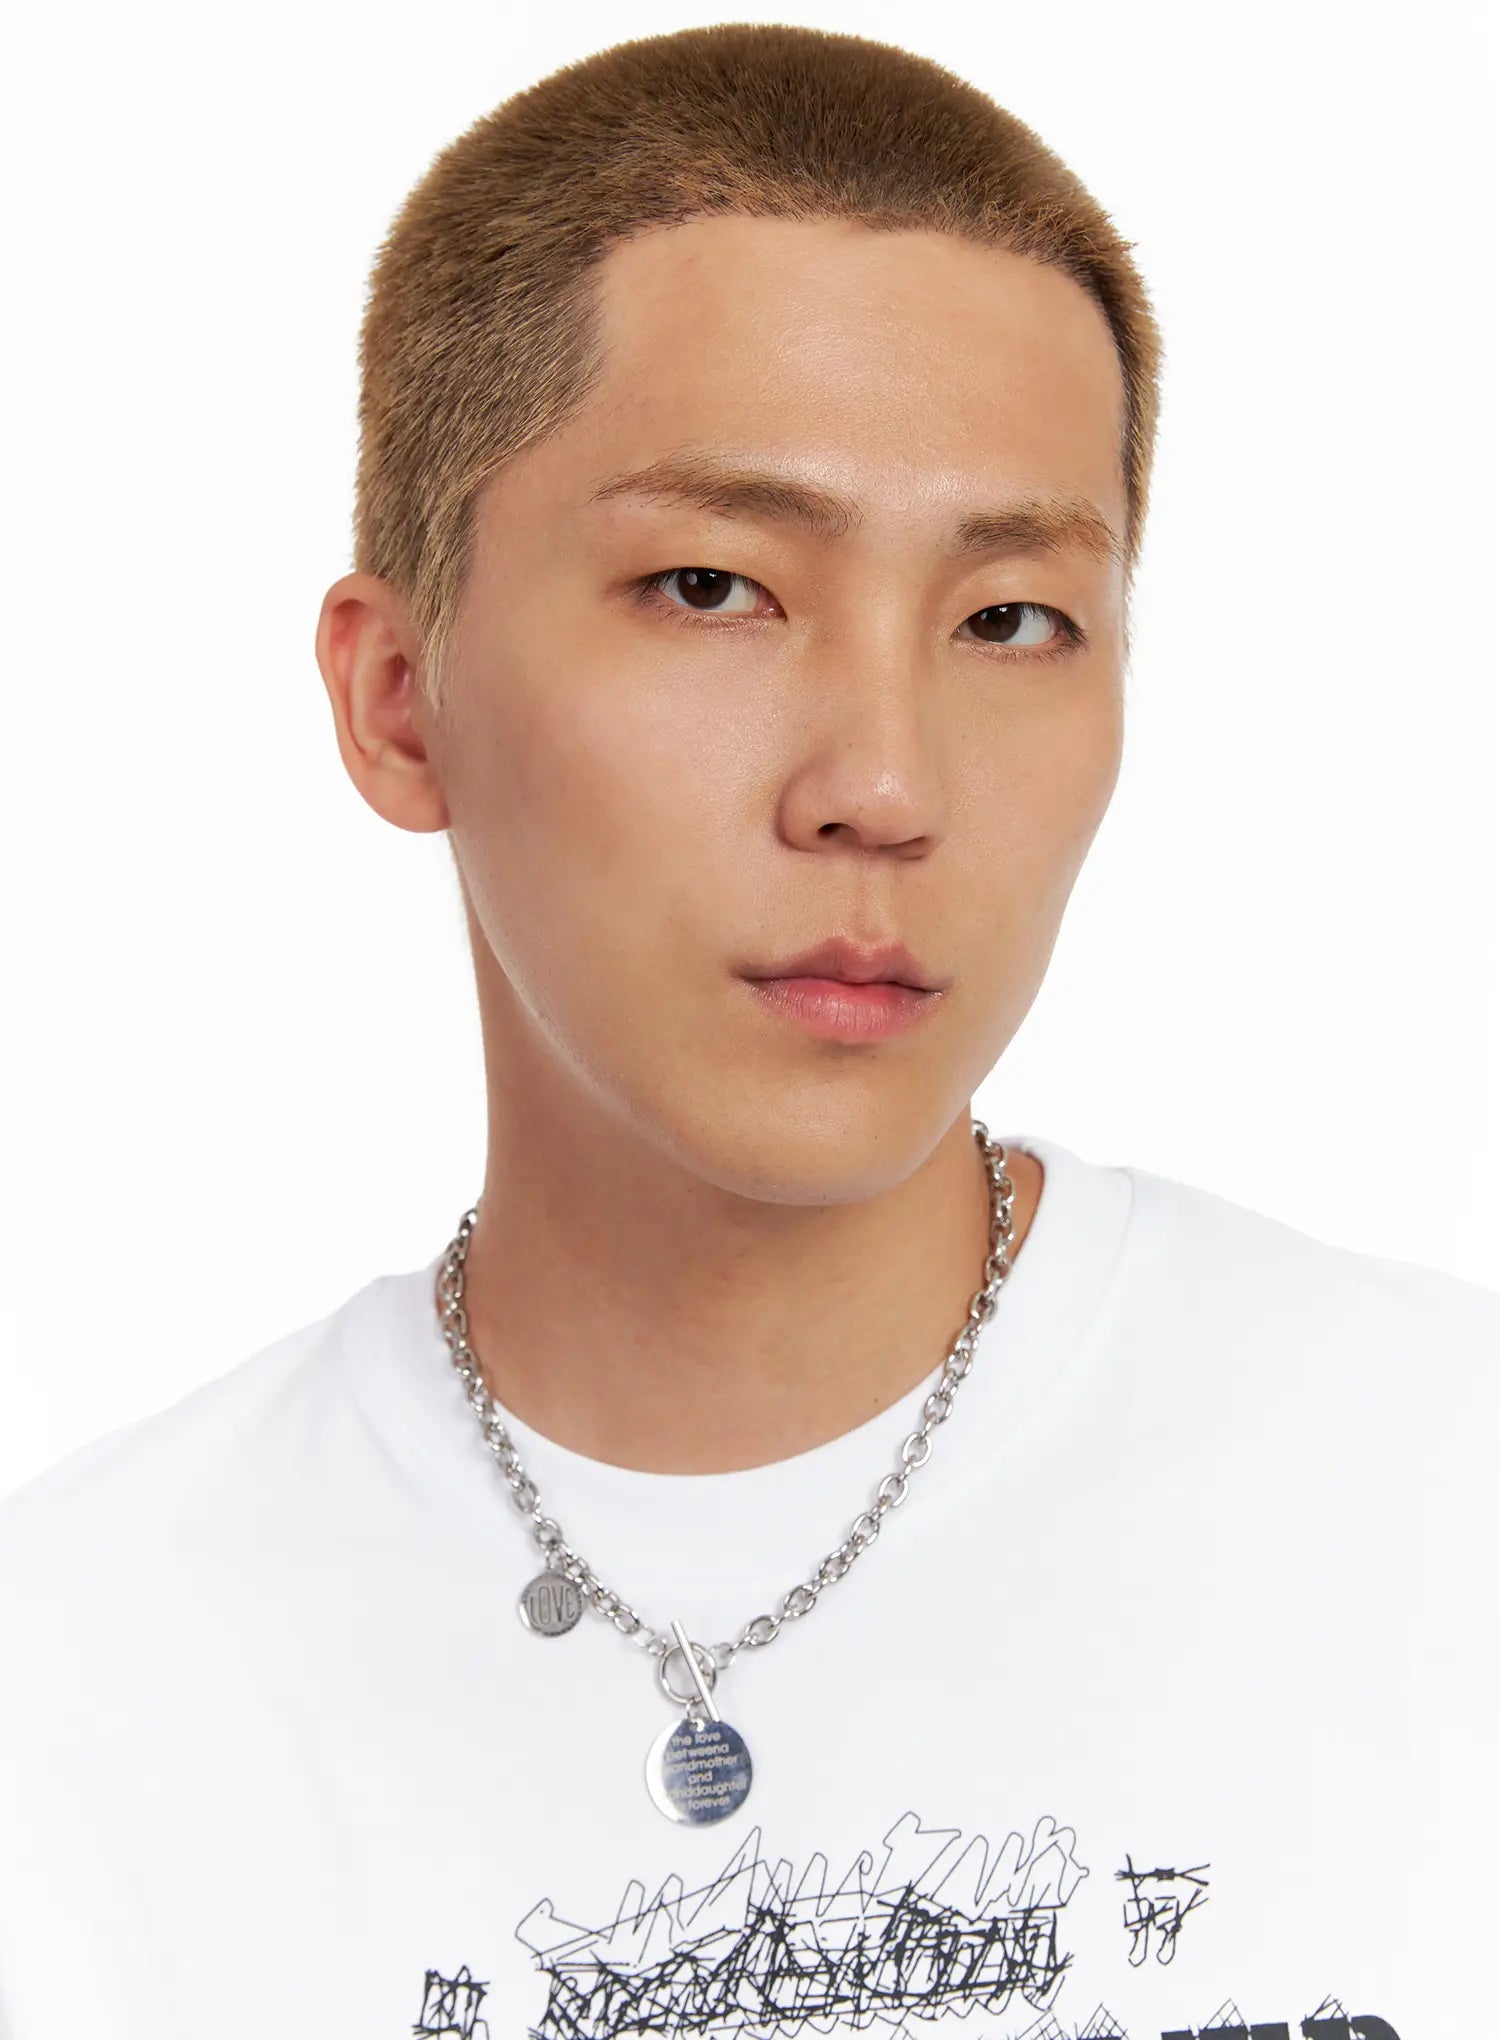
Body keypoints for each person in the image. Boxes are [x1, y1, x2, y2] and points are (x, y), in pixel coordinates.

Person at [0, 22, 1493, 2040]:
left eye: (1011, 619)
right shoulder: (74, 1701)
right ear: (399, 699)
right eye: (714, 587)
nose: (883, 783)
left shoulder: (1441, 1502)